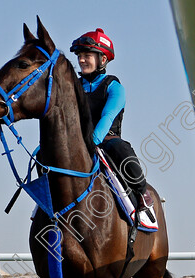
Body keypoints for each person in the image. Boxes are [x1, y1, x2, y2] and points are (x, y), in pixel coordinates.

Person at [70, 28, 149, 214]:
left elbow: (107, 117)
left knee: (120, 148)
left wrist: (92, 142)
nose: (81, 60)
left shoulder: (115, 87)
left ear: (102, 59)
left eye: (87, 55)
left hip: (106, 140)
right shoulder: (73, 87)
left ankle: (142, 194)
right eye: (80, 55)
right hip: (76, 142)